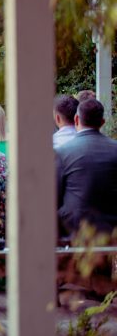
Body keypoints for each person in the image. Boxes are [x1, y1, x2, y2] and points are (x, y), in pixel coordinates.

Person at [56, 99, 117, 236]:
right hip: (110, 230)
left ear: (76, 119)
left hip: (74, 230)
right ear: (102, 123)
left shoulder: (63, 152)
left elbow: (55, 196)